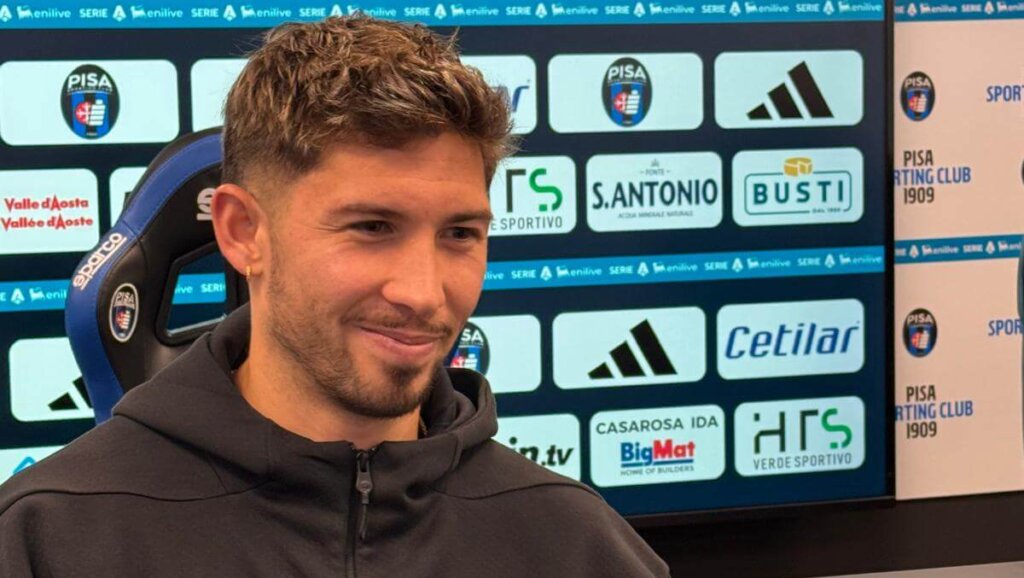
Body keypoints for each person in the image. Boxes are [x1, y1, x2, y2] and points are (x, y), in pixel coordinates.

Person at [0, 16, 669, 577]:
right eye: (372, 228)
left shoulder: (577, 544)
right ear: (243, 231)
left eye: (460, 234)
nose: (423, 293)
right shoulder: (49, 539)